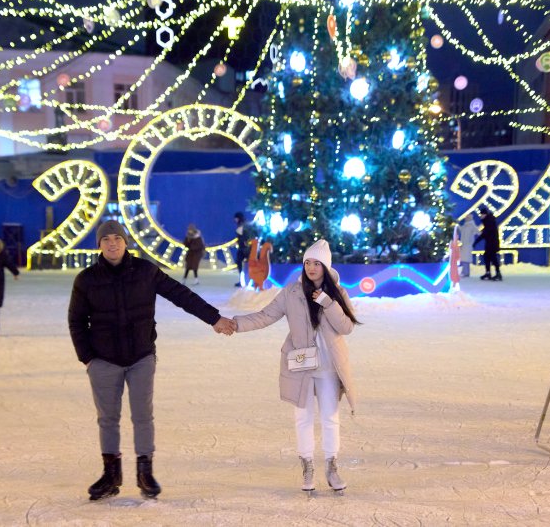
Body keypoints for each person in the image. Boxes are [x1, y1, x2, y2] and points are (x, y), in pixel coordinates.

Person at [68, 220, 235, 501]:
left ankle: (145, 472)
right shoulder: (86, 279)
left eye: (117, 238)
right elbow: (76, 321)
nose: (112, 243)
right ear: (99, 244)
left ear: (126, 242)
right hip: (104, 360)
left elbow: (181, 295)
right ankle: (111, 474)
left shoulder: (145, 272)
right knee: (107, 418)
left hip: (141, 357)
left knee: (143, 416)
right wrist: (88, 358)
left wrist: (214, 318)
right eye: (106, 239)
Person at [230, 239, 359, 494]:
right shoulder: (291, 292)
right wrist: (235, 324)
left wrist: (327, 302)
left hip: (330, 368)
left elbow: (347, 327)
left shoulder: (337, 294)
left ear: (325, 266)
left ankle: (332, 467)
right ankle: (307, 465)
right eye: (307, 262)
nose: (311, 268)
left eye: (316, 263)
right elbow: (266, 316)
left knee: (330, 418)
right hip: (301, 365)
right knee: (303, 417)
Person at [473, 205, 501, 281]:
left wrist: (476, 241)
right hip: (490, 242)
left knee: (493, 258)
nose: (480, 216)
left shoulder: (489, 221)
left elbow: (486, 233)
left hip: (492, 243)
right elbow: (486, 233)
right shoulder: (488, 221)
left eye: (481, 215)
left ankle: (497, 274)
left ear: (484, 214)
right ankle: (489, 273)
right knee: (488, 257)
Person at [233, 211, 249, 287]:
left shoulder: (242, 226)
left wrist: (241, 243)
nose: (234, 220)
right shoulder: (245, 225)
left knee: (240, 263)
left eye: (235, 218)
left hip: (243, 248)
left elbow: (243, 237)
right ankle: (244, 280)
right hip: (244, 248)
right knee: (242, 264)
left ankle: (243, 280)